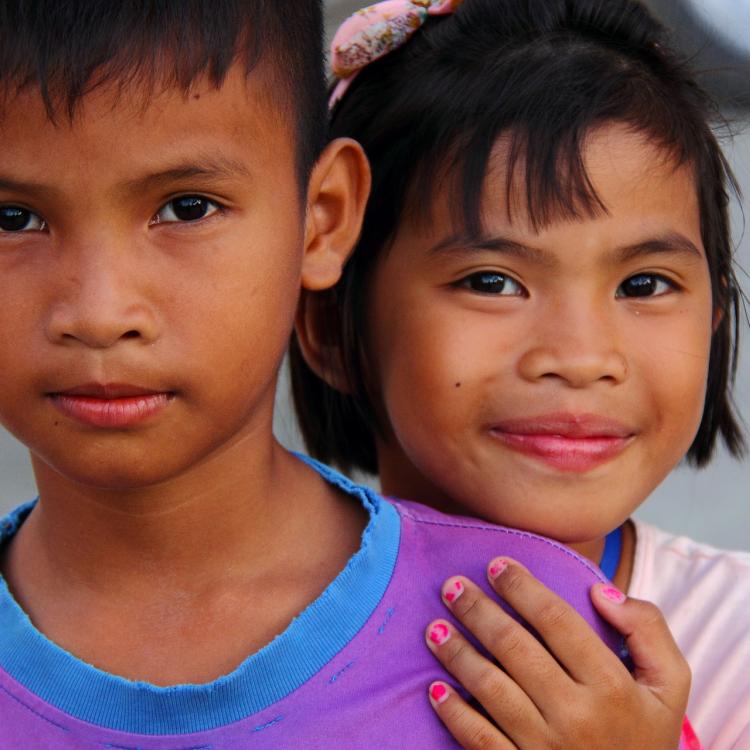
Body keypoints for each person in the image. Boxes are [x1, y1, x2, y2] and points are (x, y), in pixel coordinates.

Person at [0, 1, 687, 748]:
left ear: (322, 218)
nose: (99, 313)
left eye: (187, 207)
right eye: (11, 220)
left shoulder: (531, 648)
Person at [291, 0, 750, 747]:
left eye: (644, 285)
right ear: (331, 329)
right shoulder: (258, 640)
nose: (580, 357)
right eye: (493, 282)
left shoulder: (736, 637)